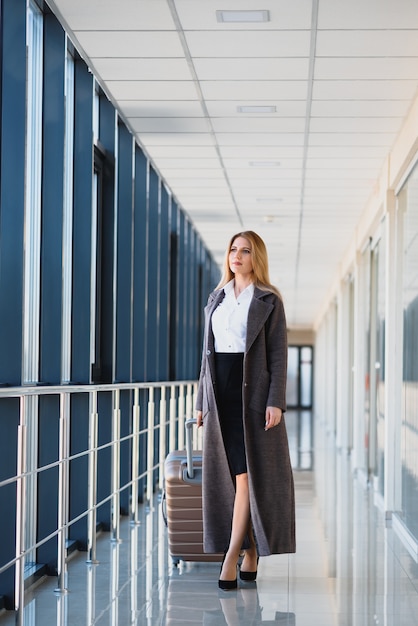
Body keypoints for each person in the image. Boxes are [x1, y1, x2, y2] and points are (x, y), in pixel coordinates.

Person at [195, 231, 295, 590]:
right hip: (219, 392)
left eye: (245, 251)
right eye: (233, 250)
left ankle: (231, 556)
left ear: (257, 258)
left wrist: (275, 401)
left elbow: (278, 356)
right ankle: (249, 551)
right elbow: (205, 358)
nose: (236, 256)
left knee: (244, 474)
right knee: (234, 474)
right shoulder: (216, 298)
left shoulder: (269, 300)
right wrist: (201, 403)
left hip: (251, 393)